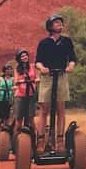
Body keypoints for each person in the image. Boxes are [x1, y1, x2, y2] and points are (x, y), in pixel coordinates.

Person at [36, 14, 76, 149]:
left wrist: (71, 66)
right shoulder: (44, 43)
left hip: (61, 76)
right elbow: (38, 61)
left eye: (60, 22)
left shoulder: (66, 41)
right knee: (44, 110)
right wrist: (42, 68)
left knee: (61, 109)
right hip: (47, 77)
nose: (60, 24)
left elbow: (72, 58)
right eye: (56, 22)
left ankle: (59, 141)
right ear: (50, 26)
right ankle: (41, 140)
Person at [12, 49, 39, 134]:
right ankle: (16, 138)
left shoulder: (32, 66)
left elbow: (37, 77)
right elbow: (16, 81)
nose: (25, 57)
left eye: (26, 55)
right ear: (19, 58)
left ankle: (36, 137)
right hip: (20, 95)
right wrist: (21, 81)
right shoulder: (17, 69)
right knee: (19, 118)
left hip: (31, 94)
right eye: (22, 56)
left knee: (31, 117)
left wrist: (36, 80)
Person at [0, 64, 13, 130]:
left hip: (8, 99)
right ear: (4, 70)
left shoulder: (12, 79)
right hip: (0, 99)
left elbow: (15, 86)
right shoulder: (0, 79)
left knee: (6, 114)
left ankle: (5, 128)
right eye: (7, 69)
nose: (9, 70)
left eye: (10, 69)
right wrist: (2, 89)